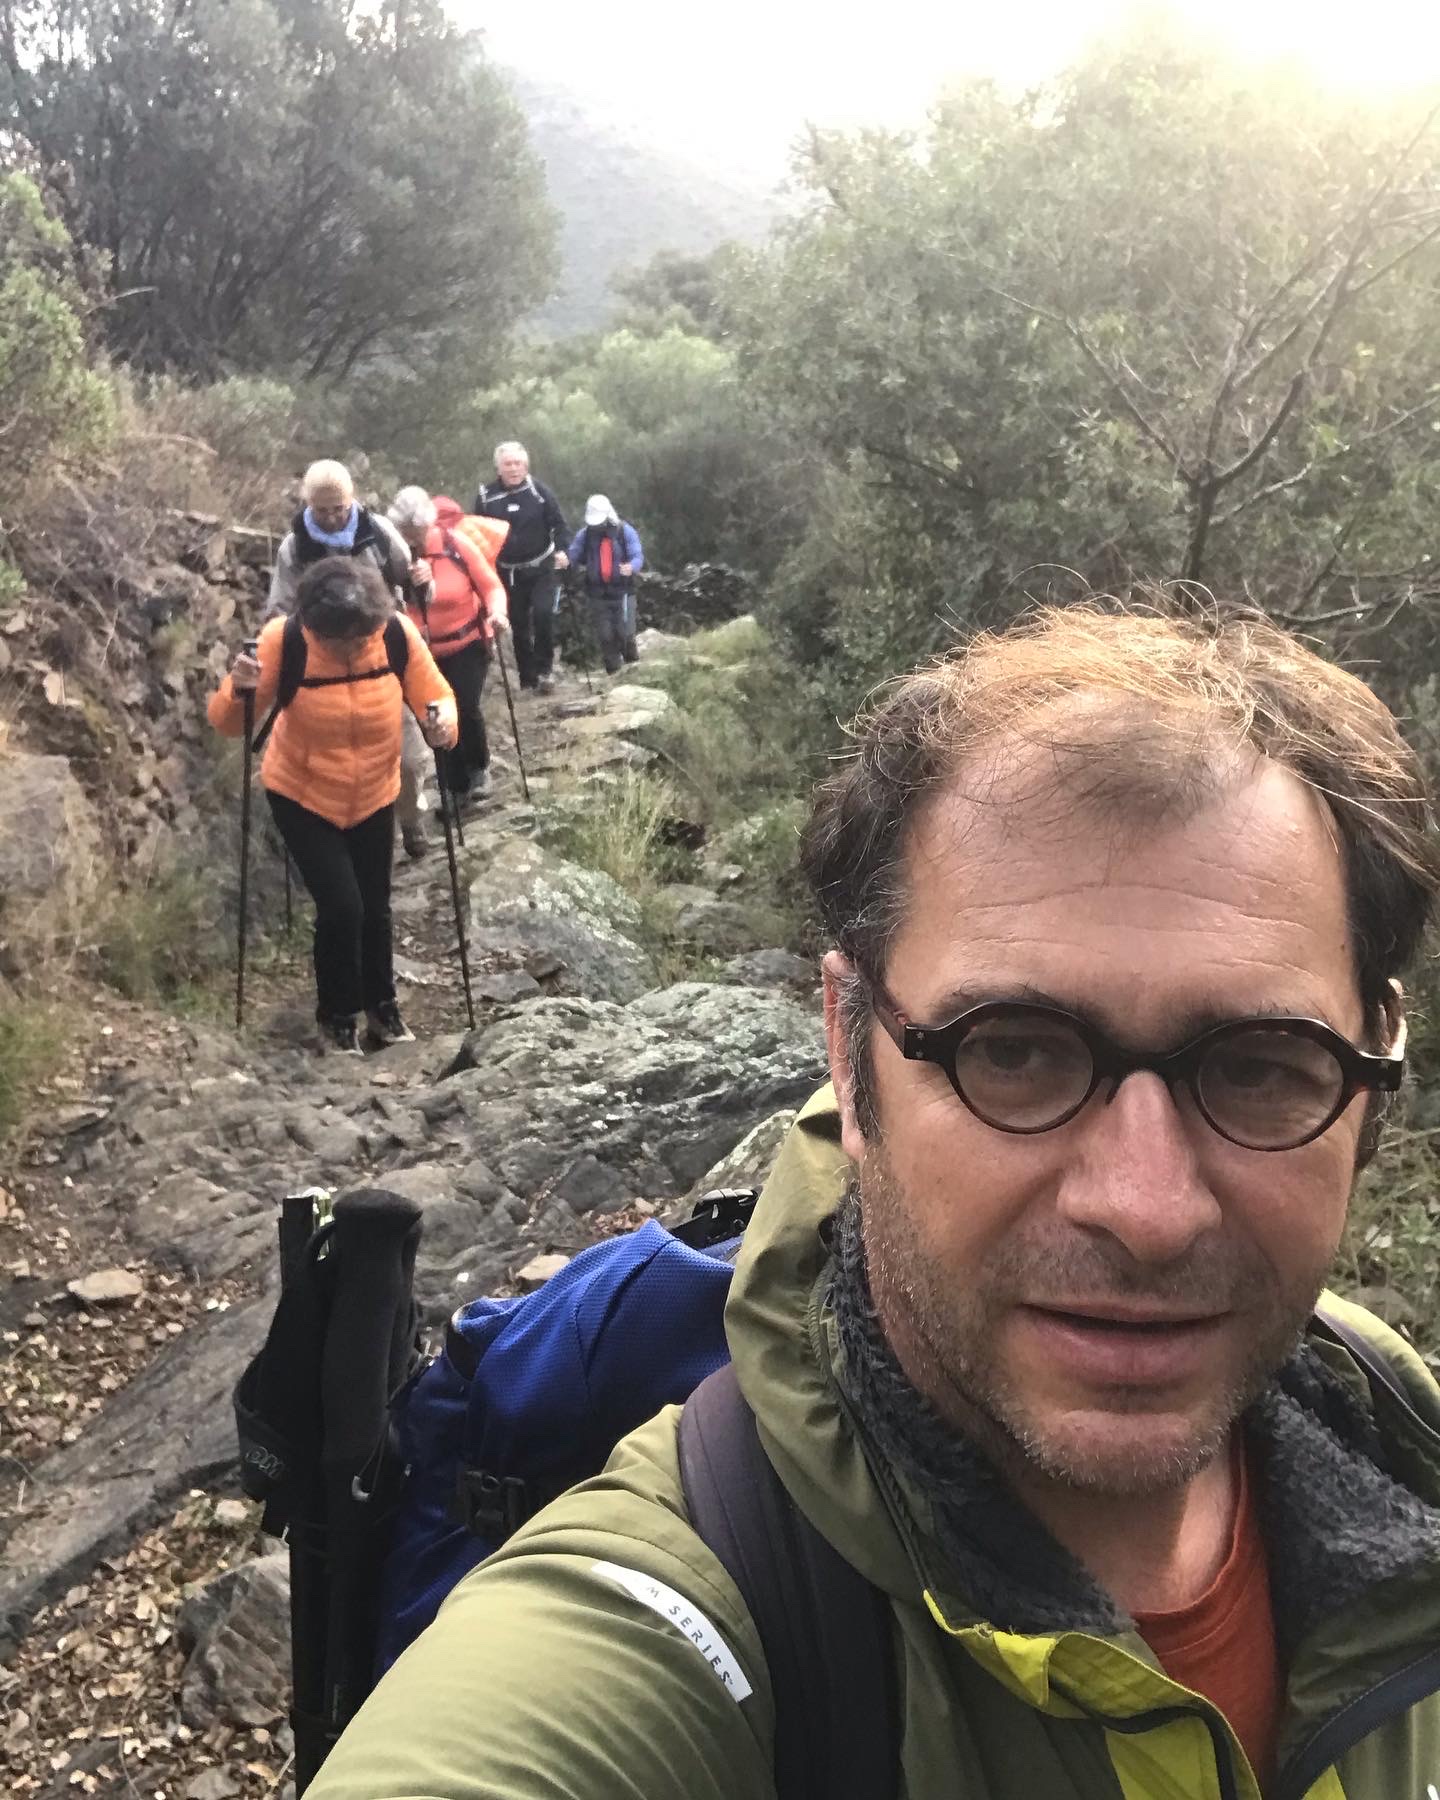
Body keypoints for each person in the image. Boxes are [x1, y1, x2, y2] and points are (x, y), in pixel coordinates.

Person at [308, 601, 1440, 1799]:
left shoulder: (1390, 1425)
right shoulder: (678, 1609)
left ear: (1375, 1067)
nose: (1148, 1208)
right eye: (1014, 1053)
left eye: (1263, 1067)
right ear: (849, 1059)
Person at [210, 557, 457, 1056]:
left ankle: (383, 1011)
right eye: (335, 637)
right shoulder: (287, 639)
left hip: (374, 791)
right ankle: (337, 1017)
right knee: (342, 906)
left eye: (355, 635)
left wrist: (442, 724)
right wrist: (239, 689)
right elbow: (229, 724)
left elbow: (437, 695)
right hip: (302, 792)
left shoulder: (395, 635)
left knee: (376, 908)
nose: (346, 645)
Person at [268, 460, 437, 859]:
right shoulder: (295, 547)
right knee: (346, 767)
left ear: (352, 500)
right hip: (323, 670)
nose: (329, 518)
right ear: (308, 503)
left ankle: (411, 818)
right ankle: (364, 844)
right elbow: (280, 608)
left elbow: (413, 585)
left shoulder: (377, 533)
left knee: (411, 760)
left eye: (338, 509)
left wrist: (422, 583)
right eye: (321, 510)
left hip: (384, 659)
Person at [388, 487, 509, 803]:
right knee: (433, 716)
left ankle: (478, 768)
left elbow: (490, 585)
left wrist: (497, 613)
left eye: (418, 532)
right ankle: (452, 786)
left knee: (464, 706)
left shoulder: (455, 544)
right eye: (406, 533)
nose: (414, 539)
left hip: (466, 642)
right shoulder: (391, 559)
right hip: (420, 652)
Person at [473, 441, 570, 695]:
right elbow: (477, 534)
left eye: (518, 464)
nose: (514, 469)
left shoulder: (539, 491)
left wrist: (562, 550)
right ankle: (528, 679)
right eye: (508, 464)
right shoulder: (486, 496)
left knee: (543, 614)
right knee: (517, 624)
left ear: (526, 466)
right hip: (507, 571)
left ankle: (545, 670)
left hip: (541, 566)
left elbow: (559, 524)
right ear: (498, 468)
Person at [566, 495, 644, 675]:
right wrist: (566, 561)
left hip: (623, 592)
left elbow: (637, 555)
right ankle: (613, 673)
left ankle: (634, 669)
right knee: (605, 636)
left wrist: (631, 567)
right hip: (597, 594)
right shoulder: (585, 535)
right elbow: (574, 554)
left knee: (626, 633)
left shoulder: (625, 532)